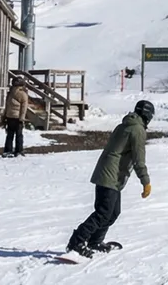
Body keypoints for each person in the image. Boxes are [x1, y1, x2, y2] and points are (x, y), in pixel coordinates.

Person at [66, 100, 154, 257]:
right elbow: (138, 159)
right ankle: (76, 242)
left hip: (109, 174)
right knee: (103, 213)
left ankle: (95, 241)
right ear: (148, 116)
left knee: (113, 212)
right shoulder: (137, 130)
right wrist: (145, 182)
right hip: (110, 175)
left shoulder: (124, 125)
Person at [2, 81, 30, 157]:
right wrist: (22, 117)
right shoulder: (23, 94)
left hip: (9, 116)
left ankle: (7, 150)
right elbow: (24, 108)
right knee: (19, 135)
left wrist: (4, 116)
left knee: (9, 135)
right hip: (17, 117)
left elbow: (7, 105)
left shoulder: (10, 93)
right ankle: (19, 150)